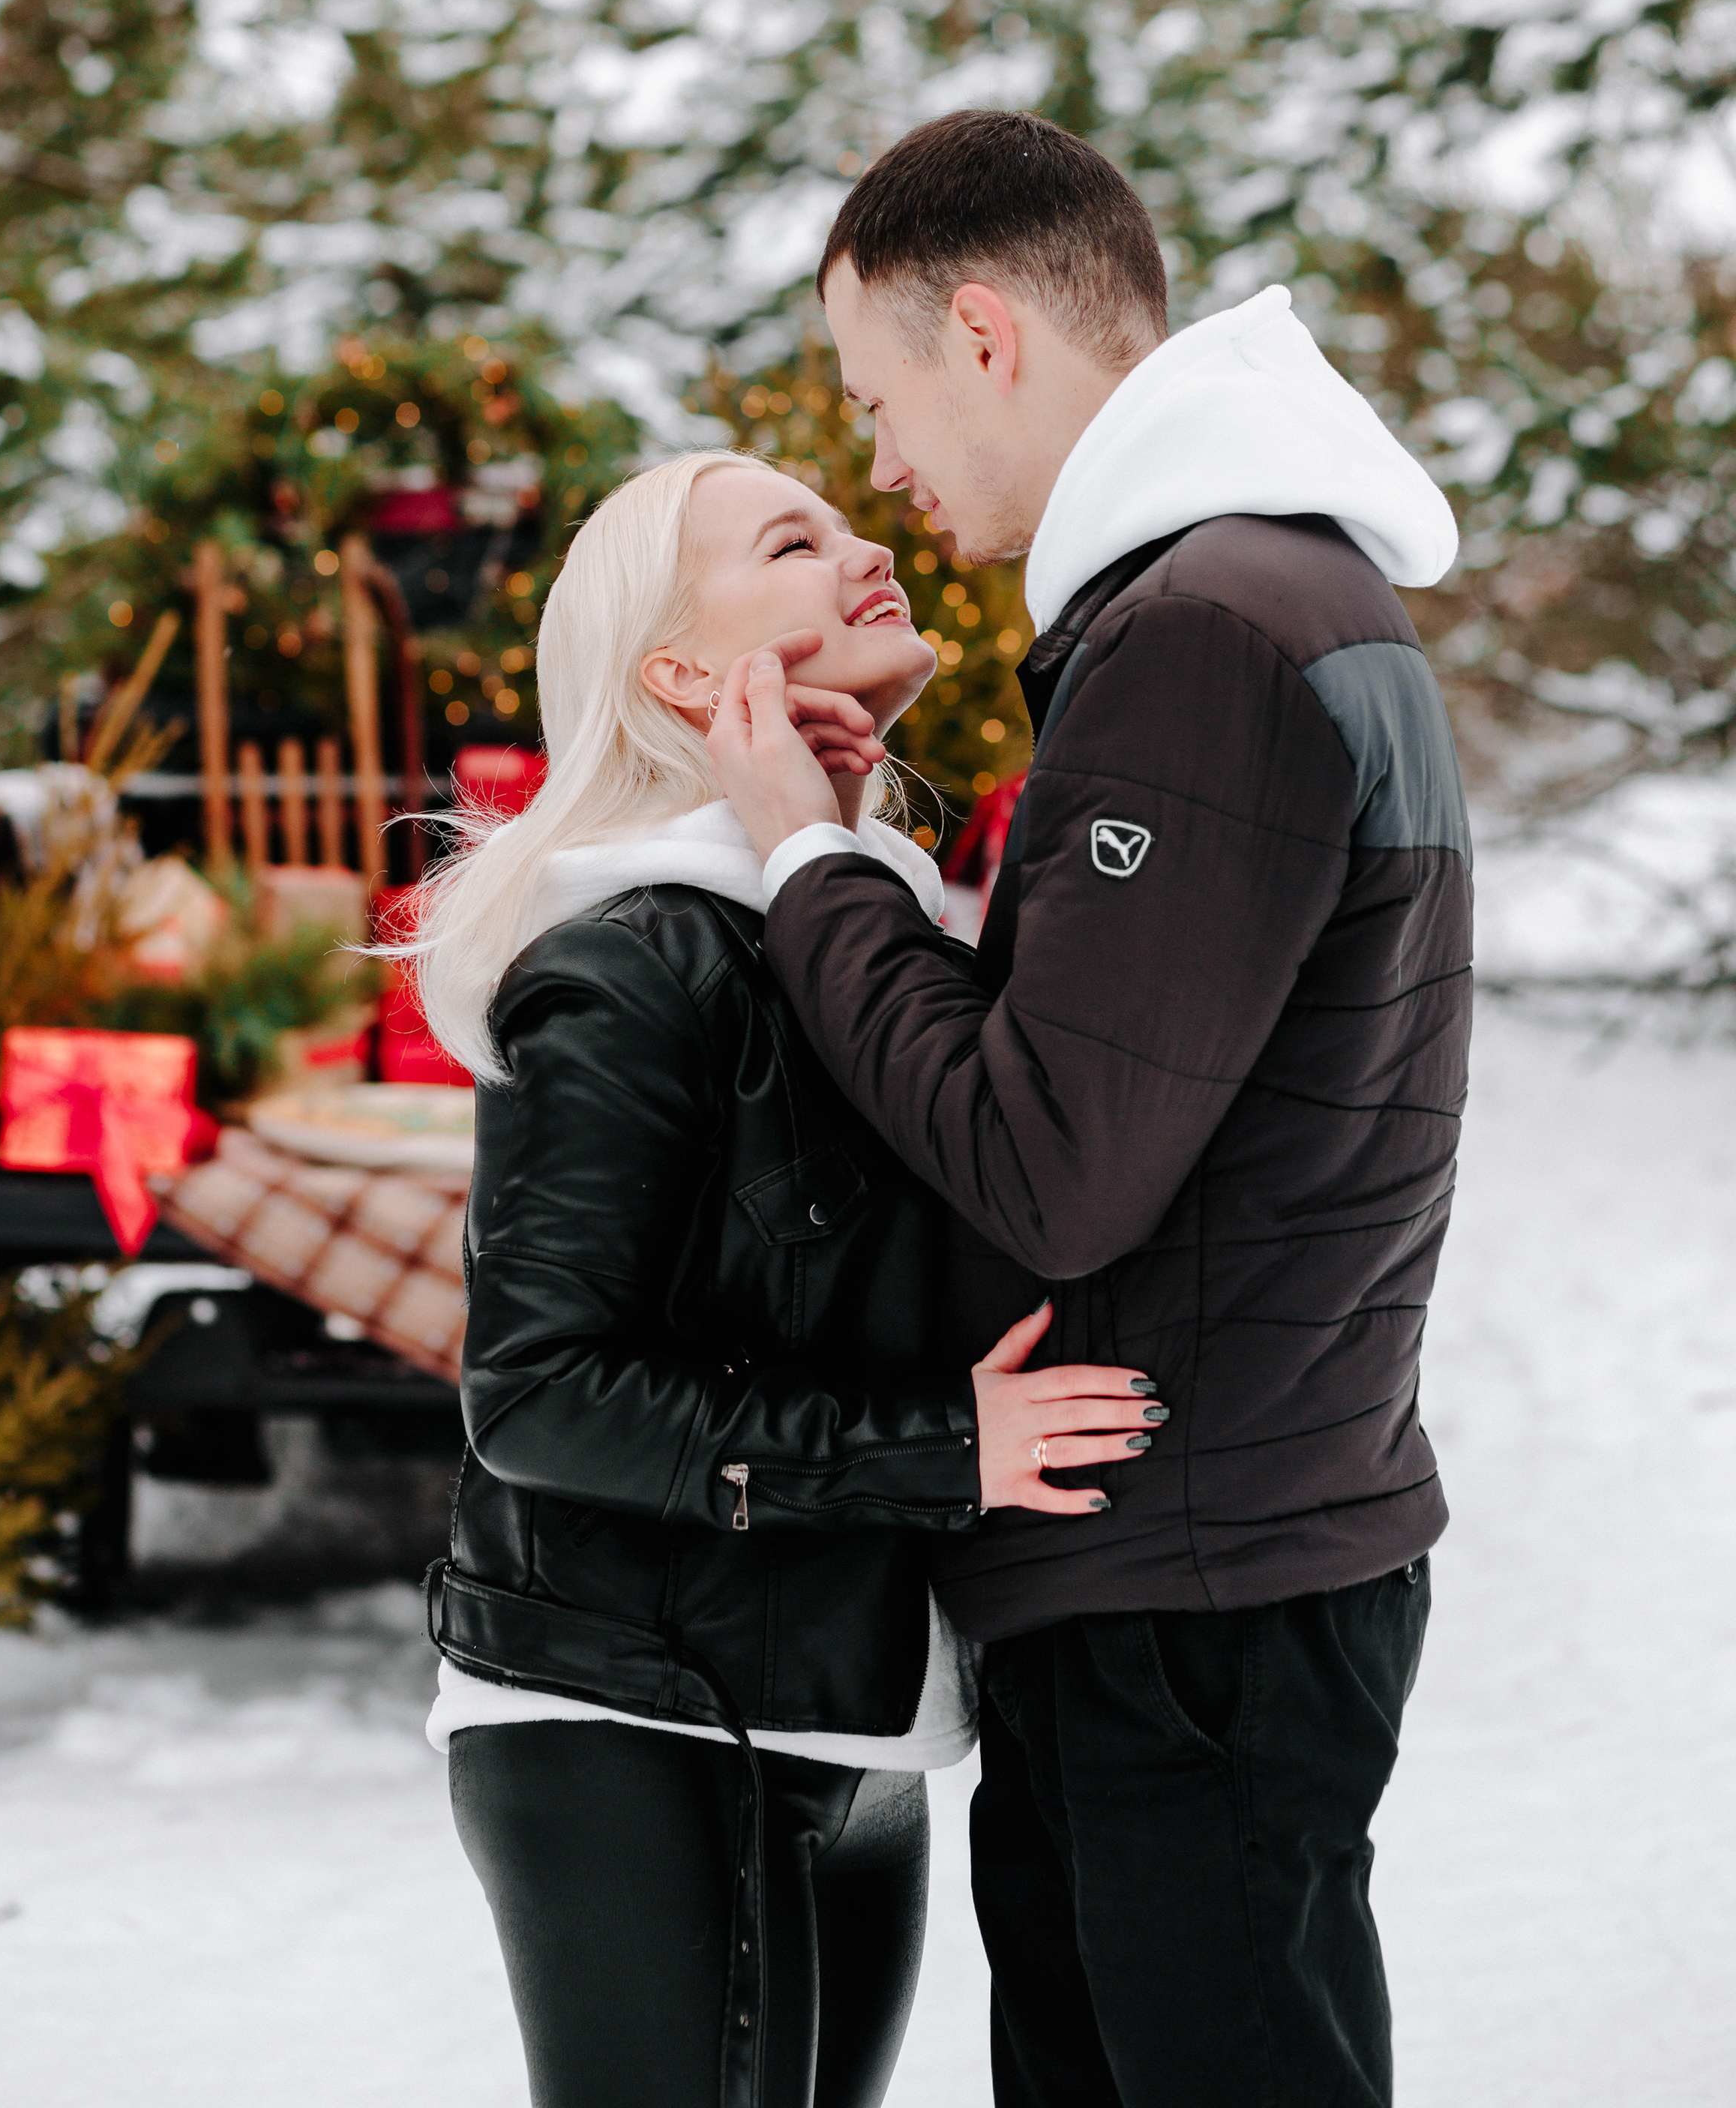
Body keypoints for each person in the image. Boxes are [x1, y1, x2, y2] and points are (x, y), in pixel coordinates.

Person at [709, 107, 1471, 2108]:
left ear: (983, 334)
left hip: (1189, 1593)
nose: (874, 461)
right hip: (1206, 1547)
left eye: (874, 395)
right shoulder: (1264, 602)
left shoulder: (1205, 629)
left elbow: (1056, 1162)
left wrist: (813, 864)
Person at [412, 448, 1165, 2108]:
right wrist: (940, 1450)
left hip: (852, 1711)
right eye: (792, 540)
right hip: (635, 1714)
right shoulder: (630, 960)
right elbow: (534, 1399)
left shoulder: (857, 939)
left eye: (847, 519)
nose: (866, 546)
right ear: (682, 673)